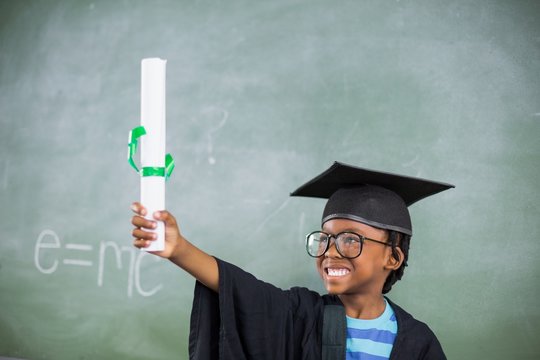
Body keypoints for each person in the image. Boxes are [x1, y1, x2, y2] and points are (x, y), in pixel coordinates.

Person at [131, 161, 453, 359]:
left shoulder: (418, 342)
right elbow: (243, 292)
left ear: (393, 257)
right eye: (324, 238)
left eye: (350, 240)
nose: (330, 251)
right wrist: (178, 248)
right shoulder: (301, 314)